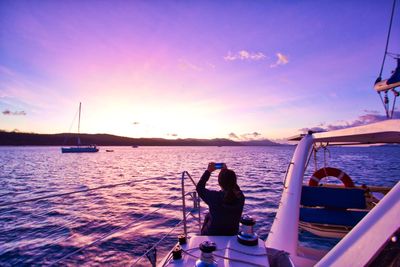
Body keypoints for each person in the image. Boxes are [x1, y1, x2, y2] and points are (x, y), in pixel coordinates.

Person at [196, 162, 245, 236]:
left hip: (212, 234)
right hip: (232, 234)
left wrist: (208, 171)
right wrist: (226, 172)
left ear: (219, 182)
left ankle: (203, 236)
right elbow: (234, 186)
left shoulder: (214, 196)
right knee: (209, 215)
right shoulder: (240, 197)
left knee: (208, 216)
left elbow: (199, 188)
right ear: (235, 182)